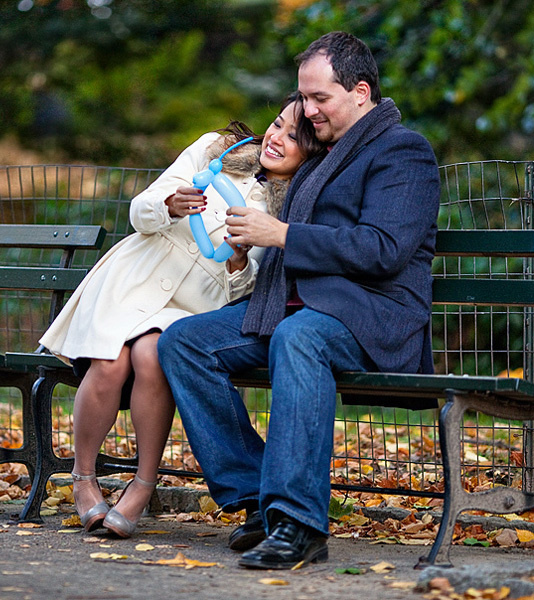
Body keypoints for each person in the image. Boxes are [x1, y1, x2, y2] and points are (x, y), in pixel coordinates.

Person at [157, 31, 441, 569]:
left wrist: (281, 234)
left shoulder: (404, 151)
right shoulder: (323, 155)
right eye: (302, 97)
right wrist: (249, 245)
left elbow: (383, 250)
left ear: (360, 91)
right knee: (183, 343)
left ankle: (299, 523)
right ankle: (256, 502)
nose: (307, 111)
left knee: (300, 337)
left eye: (319, 99)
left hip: (370, 317)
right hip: (293, 308)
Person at [38, 92, 325, 538]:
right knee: (110, 361)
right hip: (136, 278)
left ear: (311, 152)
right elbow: (139, 212)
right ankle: (83, 477)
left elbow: (249, 286)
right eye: (276, 124)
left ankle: (141, 485)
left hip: (192, 302)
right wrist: (169, 205)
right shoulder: (215, 151)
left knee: (154, 355)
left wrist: (237, 261)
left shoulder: (290, 204)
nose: (276, 138)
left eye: (294, 137)